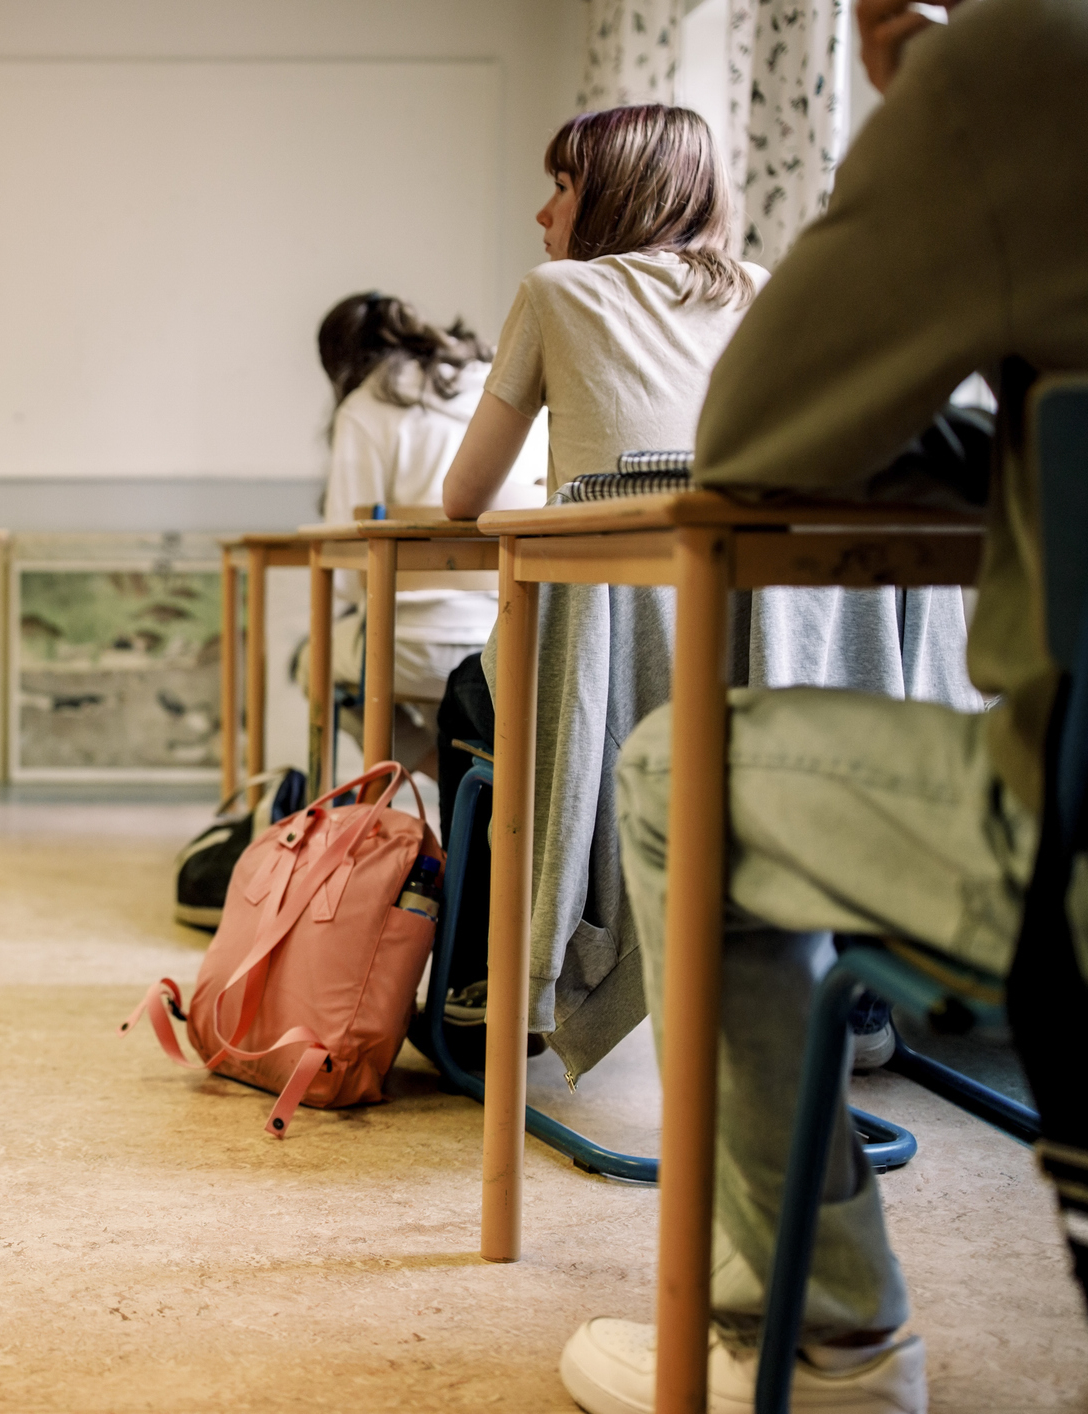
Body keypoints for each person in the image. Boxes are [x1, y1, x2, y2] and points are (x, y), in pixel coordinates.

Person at [560, 1, 1088, 1409]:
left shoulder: (1017, 68)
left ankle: (822, 1336)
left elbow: (754, 436)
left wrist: (929, 93)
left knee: (676, 773)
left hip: (1070, 856)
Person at [435, 103, 980, 1080]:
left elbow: (463, 497)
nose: (541, 210)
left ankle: (498, 988)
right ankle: (823, 963)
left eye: (561, 184)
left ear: (617, 193)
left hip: (626, 692)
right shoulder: (767, 294)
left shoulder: (556, 292)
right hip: (781, 682)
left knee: (468, 698)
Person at [313, 293, 544, 775]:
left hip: (402, 645)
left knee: (310, 664)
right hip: (504, 641)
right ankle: (469, 777)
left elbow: (349, 571)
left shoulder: (365, 405)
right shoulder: (497, 383)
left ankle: (442, 770)